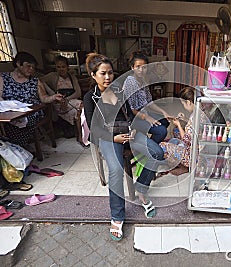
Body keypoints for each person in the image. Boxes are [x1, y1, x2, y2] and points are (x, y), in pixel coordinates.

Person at [83, 53, 164, 241]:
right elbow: (94, 129)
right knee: (116, 170)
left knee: (157, 152)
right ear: (93, 75)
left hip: (127, 132)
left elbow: (129, 114)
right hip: (107, 136)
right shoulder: (90, 97)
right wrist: (114, 137)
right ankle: (117, 216)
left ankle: (141, 189)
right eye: (102, 73)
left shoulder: (119, 90)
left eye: (110, 73)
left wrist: (134, 129)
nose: (107, 77)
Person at [0, 51, 63, 147]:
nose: (31, 69)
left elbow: (43, 98)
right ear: (18, 64)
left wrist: (53, 97)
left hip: (31, 112)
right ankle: (10, 147)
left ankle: (18, 148)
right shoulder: (2, 77)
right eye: (28, 66)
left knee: (22, 121)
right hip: (8, 111)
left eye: (33, 67)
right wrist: (10, 107)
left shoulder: (35, 81)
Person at [122, 51, 171, 144]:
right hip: (133, 118)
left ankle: (151, 145)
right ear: (132, 68)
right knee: (162, 131)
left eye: (144, 67)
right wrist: (148, 118)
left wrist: (163, 112)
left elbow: (149, 102)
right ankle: (147, 151)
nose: (141, 70)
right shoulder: (130, 82)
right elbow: (131, 109)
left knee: (165, 121)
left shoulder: (143, 81)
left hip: (143, 113)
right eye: (138, 67)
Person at [159, 87, 200, 170]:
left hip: (192, 157)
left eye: (183, 104)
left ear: (188, 102)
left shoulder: (195, 116)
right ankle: (178, 154)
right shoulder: (198, 112)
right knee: (176, 131)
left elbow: (186, 140)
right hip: (195, 148)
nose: (184, 106)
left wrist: (178, 124)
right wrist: (184, 119)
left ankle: (178, 163)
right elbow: (193, 126)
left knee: (161, 146)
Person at [40, 55, 83, 133]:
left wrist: (66, 100)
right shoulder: (52, 76)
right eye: (58, 67)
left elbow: (78, 93)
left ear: (67, 67)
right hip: (59, 104)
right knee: (81, 105)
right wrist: (51, 93)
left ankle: (81, 135)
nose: (61, 69)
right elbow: (39, 81)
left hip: (70, 102)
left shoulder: (72, 77)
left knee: (79, 111)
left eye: (63, 67)